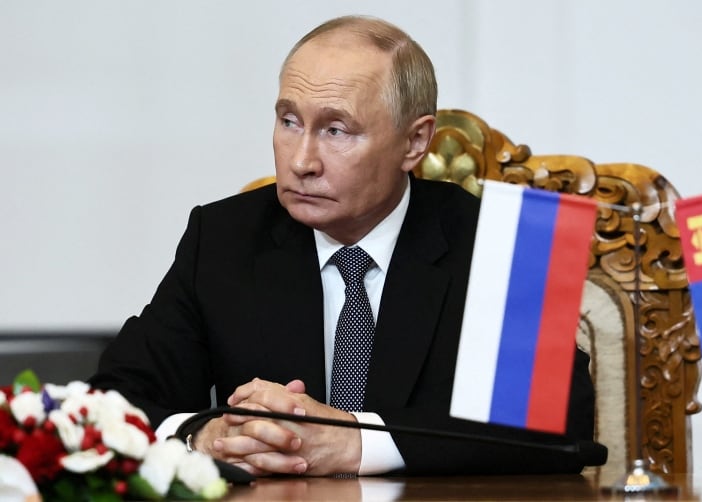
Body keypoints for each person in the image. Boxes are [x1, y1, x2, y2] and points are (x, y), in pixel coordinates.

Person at [89, 15, 600, 477]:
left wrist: (358, 442)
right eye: (289, 121)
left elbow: (558, 431)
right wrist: (203, 434)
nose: (301, 160)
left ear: (415, 142)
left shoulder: (502, 243)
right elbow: (112, 401)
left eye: (336, 130)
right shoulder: (223, 238)